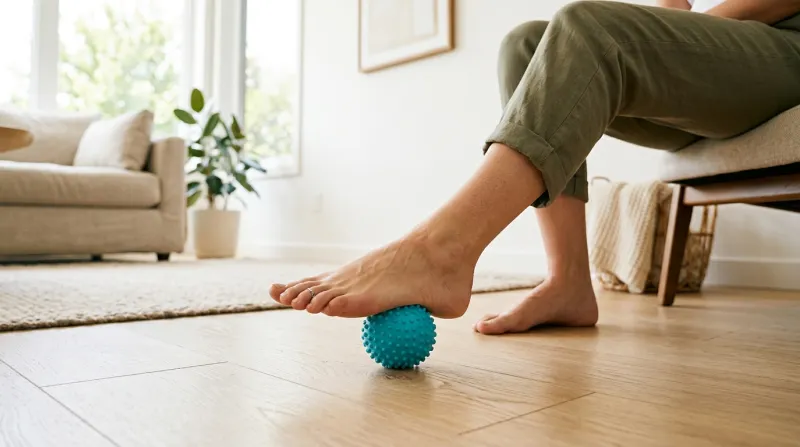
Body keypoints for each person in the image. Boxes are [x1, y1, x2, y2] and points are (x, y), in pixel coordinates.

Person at [270, 0, 800, 334]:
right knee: (526, 44)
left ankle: (441, 250)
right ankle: (568, 281)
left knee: (589, 27)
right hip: (727, 77)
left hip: (787, 49)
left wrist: (686, 29)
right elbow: (675, 9)